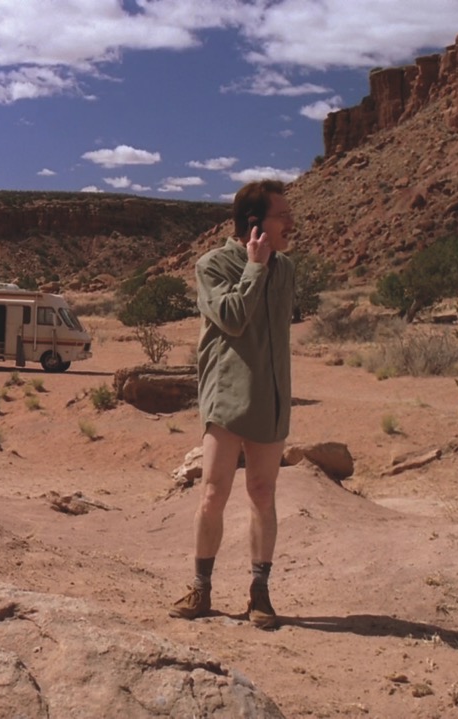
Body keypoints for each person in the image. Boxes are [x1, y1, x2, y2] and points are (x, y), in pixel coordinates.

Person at [169, 179, 295, 630]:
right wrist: (255, 267)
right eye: (283, 215)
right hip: (225, 397)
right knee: (213, 494)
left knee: (262, 494)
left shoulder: (287, 269)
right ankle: (201, 588)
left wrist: (267, 266)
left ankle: (260, 592)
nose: (291, 223)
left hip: (271, 397)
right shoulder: (213, 265)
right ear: (255, 223)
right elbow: (233, 320)